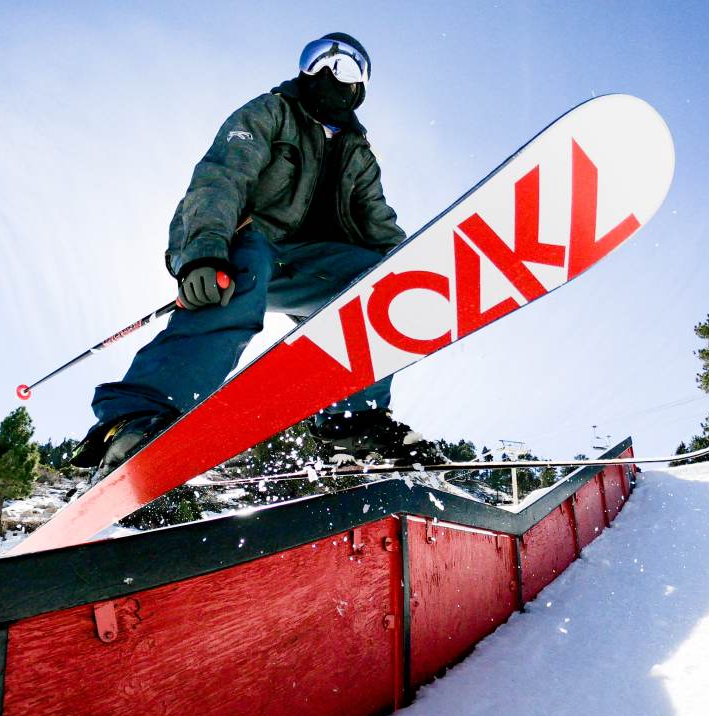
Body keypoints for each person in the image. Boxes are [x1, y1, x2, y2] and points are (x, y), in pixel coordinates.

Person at [71, 33, 441, 477]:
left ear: (361, 84)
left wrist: (414, 276)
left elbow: (380, 225)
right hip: (248, 244)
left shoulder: (358, 154)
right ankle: (138, 417)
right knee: (240, 274)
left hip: (310, 266)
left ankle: (352, 423)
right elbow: (222, 177)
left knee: (370, 281)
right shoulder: (270, 113)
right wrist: (203, 254)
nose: (330, 73)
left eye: (346, 66)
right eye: (317, 60)